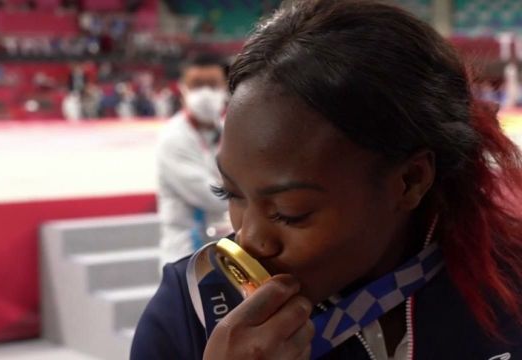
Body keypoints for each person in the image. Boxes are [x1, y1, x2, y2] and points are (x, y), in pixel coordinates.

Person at [131, 1, 522, 359]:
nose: (248, 239)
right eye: (231, 194)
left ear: (410, 180)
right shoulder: (188, 314)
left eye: (289, 212)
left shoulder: (508, 288)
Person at [156, 53, 231, 266]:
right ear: (183, 88)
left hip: (226, 249)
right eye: (197, 85)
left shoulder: (230, 130)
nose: (206, 92)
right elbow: (212, 196)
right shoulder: (173, 138)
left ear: (225, 88)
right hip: (185, 251)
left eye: (213, 84)